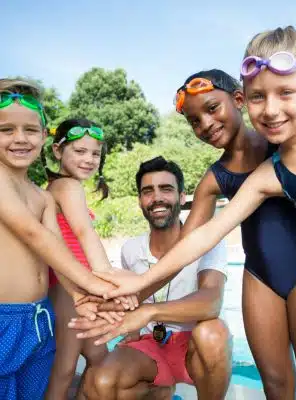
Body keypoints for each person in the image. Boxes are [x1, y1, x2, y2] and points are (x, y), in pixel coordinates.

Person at [87, 26, 296, 398]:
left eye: (285, 93)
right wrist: (137, 288)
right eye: (259, 97)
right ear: (246, 98)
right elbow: (203, 235)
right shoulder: (268, 174)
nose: (270, 109)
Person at [173, 69, 296, 398]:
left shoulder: (285, 146)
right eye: (194, 121)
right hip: (259, 281)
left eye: (212, 108)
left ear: (238, 100)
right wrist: (125, 293)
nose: (205, 124)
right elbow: (184, 248)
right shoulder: (215, 178)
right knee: (275, 387)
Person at [70, 156, 232, 400]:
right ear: (140, 201)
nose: (157, 198)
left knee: (212, 333)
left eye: (166, 189)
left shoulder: (207, 242)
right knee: (100, 381)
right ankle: (162, 391)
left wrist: (149, 312)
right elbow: (130, 304)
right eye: (148, 191)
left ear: (182, 197)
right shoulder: (131, 249)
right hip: (152, 346)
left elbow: (211, 302)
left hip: (194, 348)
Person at [0, 79, 117, 400]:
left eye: (30, 130)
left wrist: (81, 294)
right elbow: (33, 234)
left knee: (35, 390)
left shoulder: (43, 197)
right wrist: (99, 283)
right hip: (4, 318)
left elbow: (57, 249)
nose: (20, 138)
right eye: (6, 130)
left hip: (40, 317)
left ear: (42, 135)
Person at [44, 119, 136, 400]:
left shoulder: (57, 187)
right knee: (65, 368)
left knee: (100, 358)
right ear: (58, 151)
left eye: (95, 154)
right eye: (80, 151)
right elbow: (84, 234)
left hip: (77, 285)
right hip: (69, 288)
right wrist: (109, 281)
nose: (89, 159)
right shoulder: (67, 187)